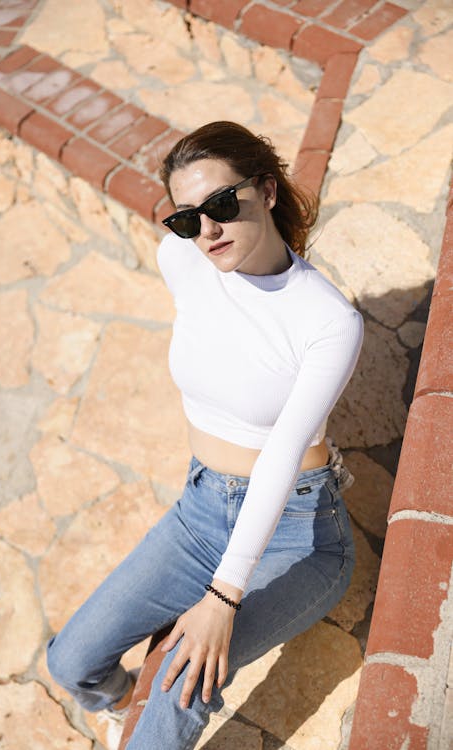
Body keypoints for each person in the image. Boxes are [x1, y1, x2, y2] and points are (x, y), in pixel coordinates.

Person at [47, 120, 364, 749]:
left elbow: (281, 456)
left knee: (177, 689)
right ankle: (120, 707)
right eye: (188, 218)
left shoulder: (328, 320)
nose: (207, 231)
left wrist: (224, 596)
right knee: (70, 662)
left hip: (295, 535)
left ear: (267, 190)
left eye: (221, 205)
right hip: (199, 512)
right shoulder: (181, 261)